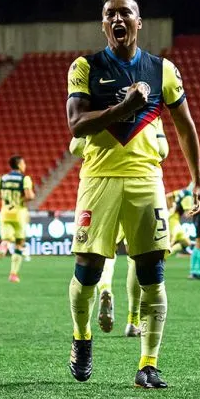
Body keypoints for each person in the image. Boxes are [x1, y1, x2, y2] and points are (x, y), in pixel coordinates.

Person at [65, 0, 200, 389]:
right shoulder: (84, 67)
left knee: (152, 272)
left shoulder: (163, 69)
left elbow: (185, 126)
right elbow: (76, 124)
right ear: (103, 25)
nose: (118, 19)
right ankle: (82, 337)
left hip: (146, 180)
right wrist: (124, 107)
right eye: (111, 14)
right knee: (88, 270)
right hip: (100, 179)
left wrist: (196, 180)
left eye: (125, 13)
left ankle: (148, 364)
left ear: (139, 22)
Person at [69, 137, 146, 338]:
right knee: (135, 258)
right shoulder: (151, 110)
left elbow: (74, 146)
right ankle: (133, 321)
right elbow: (163, 150)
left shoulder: (97, 109)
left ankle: (105, 288)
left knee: (103, 253)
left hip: (102, 186)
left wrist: (102, 150)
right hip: (138, 184)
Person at [0, 155, 35, 283]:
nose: (25, 165)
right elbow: (29, 196)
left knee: (6, 238)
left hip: (4, 212)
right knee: (20, 243)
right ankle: (13, 274)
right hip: (19, 213)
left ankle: (3, 246)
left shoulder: (2, 178)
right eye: (24, 163)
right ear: (19, 165)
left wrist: (5, 197)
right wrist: (21, 198)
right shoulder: (25, 179)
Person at [165, 188, 194, 258]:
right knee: (170, 243)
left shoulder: (181, 192)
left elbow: (167, 196)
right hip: (173, 221)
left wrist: (169, 207)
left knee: (187, 243)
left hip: (173, 218)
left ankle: (164, 255)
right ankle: (162, 257)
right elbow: (187, 215)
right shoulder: (188, 196)